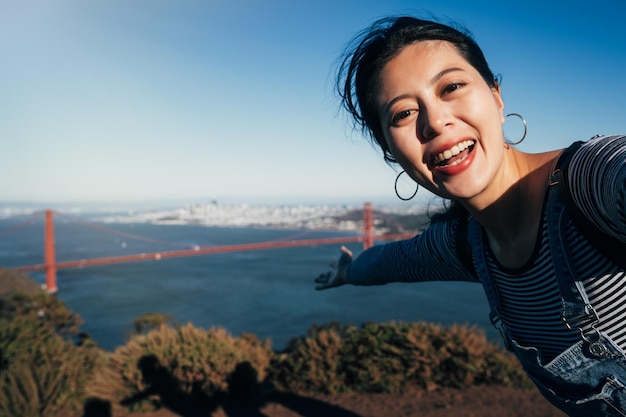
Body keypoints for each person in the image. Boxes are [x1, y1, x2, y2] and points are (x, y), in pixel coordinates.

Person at [314, 15, 626, 417]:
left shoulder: (590, 179)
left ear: (497, 97)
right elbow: (388, 261)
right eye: (403, 114)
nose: (435, 122)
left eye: (452, 87)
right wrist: (348, 272)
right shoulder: (466, 243)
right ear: (392, 152)